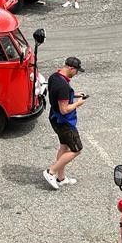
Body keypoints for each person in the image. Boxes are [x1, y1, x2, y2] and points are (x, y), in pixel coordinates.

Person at [43, 57, 87, 190]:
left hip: (54, 118)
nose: (76, 74)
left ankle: (61, 178)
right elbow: (64, 109)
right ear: (71, 68)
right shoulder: (63, 86)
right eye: (76, 71)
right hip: (64, 122)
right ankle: (51, 172)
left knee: (64, 147)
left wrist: (73, 94)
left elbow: (60, 96)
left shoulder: (54, 77)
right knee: (76, 149)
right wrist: (78, 103)